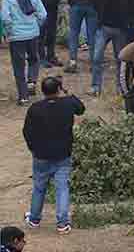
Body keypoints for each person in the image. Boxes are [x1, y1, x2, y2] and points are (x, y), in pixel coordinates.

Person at [22, 76, 83, 233]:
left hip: (41, 155)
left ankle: (34, 219)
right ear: (58, 90)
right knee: (62, 188)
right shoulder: (67, 104)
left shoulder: (35, 108)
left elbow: (26, 132)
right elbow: (81, 109)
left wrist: (33, 149)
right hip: (63, 154)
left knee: (39, 188)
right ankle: (62, 223)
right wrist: (68, 92)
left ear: (42, 91)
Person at [4, 0, 47, 104]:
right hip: (33, 35)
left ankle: (23, 96)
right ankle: (31, 82)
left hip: (16, 37)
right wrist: (36, 26)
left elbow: (5, 18)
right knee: (34, 59)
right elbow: (43, 15)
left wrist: (9, 32)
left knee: (19, 66)